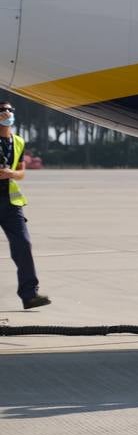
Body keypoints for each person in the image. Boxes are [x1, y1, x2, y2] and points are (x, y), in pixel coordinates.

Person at [0, 101, 50, 309]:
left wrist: (11, 173)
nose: (6, 113)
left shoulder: (18, 141)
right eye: (2, 110)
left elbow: (21, 173)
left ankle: (30, 295)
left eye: (10, 110)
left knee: (23, 245)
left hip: (11, 202)